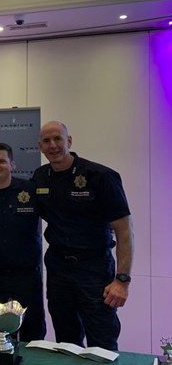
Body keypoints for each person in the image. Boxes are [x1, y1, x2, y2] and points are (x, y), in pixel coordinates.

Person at [31, 121, 134, 350]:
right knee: (66, 341)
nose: (53, 145)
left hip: (94, 270)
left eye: (58, 139)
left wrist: (122, 280)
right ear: (40, 146)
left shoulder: (100, 176)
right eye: (46, 141)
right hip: (58, 270)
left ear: (69, 141)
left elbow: (125, 230)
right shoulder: (40, 177)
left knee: (102, 341)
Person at [0, 142, 46, 341]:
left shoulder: (30, 190)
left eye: (1, 161)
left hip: (26, 276)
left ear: (12, 164)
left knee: (32, 332)